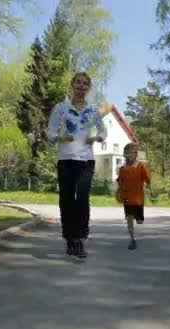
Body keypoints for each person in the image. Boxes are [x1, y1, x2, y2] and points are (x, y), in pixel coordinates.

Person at [46, 72, 111, 258]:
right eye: (78, 83)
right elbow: (50, 131)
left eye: (85, 84)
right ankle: (69, 239)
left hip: (86, 161)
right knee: (67, 200)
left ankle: (81, 239)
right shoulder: (62, 108)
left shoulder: (93, 110)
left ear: (88, 88)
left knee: (82, 199)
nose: (81, 86)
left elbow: (103, 130)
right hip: (66, 160)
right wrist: (60, 137)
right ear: (72, 85)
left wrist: (97, 137)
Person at [116, 143, 151, 250]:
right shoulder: (122, 169)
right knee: (129, 218)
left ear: (135, 154)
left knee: (139, 221)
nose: (127, 156)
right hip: (127, 198)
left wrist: (147, 185)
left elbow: (147, 178)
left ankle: (136, 232)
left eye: (129, 153)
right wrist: (118, 191)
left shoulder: (140, 166)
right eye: (125, 154)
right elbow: (120, 182)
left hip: (138, 199)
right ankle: (132, 239)